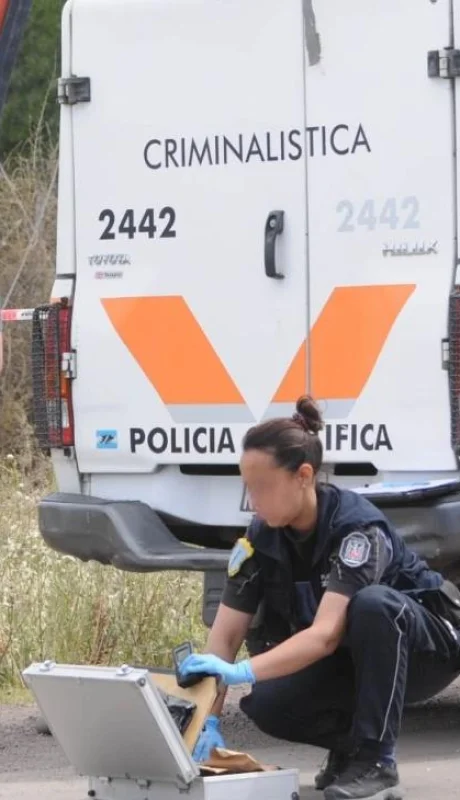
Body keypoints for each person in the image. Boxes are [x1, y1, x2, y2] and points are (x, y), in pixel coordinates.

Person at [179, 395, 460, 800]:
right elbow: (224, 638)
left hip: (425, 652)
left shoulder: (356, 529)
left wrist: (241, 671)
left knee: (373, 605)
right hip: (355, 657)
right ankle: (351, 753)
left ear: (303, 475)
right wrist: (205, 720)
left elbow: (326, 634)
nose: (252, 501)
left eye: (262, 487)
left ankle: (376, 762)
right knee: (266, 703)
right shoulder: (262, 537)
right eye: (247, 488)